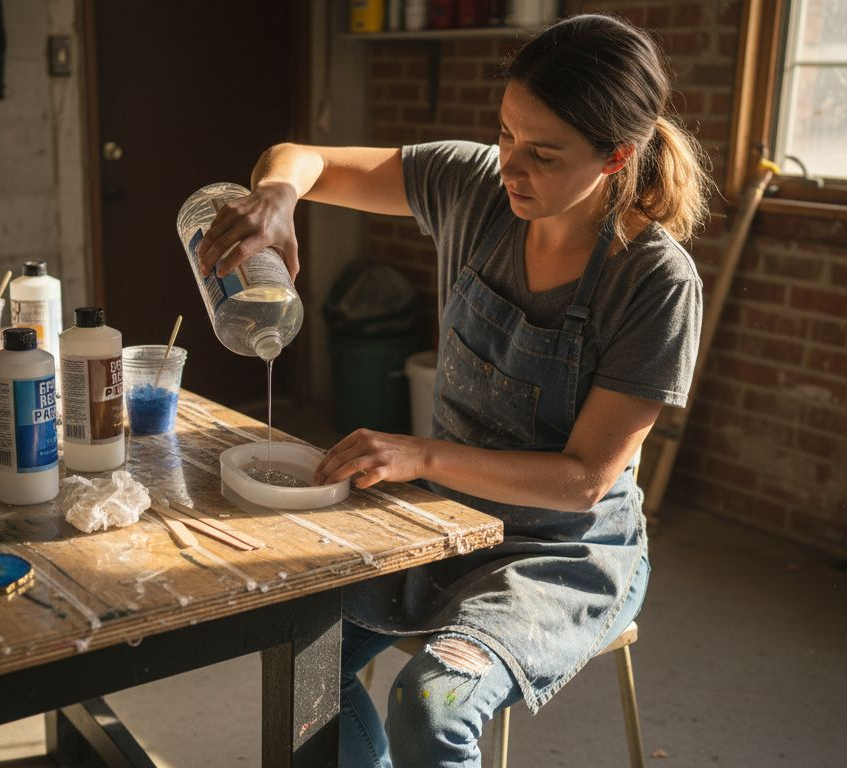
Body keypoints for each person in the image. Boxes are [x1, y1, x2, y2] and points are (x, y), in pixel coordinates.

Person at [197, 13, 710, 767]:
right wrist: (276, 198)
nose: (511, 168)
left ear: (616, 156)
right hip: (437, 521)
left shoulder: (655, 283)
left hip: (560, 555)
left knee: (431, 703)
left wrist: (421, 455)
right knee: (294, 639)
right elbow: (300, 156)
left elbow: (582, 482)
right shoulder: (473, 188)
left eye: (542, 153)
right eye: (505, 134)